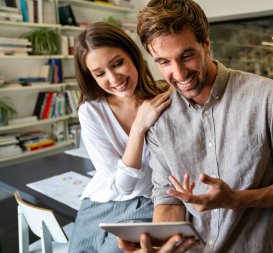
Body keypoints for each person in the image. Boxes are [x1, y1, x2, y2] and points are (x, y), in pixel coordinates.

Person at [116, 1, 273, 252]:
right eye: (164, 62)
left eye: (186, 55)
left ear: (206, 43)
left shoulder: (269, 97)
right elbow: (167, 195)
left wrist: (238, 199)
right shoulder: (159, 114)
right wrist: (162, 245)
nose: (179, 74)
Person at [69, 22, 198, 253]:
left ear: (133, 56)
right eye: (100, 74)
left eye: (117, 63)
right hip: (102, 203)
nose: (113, 78)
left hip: (150, 203)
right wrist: (139, 127)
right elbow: (122, 186)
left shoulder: (166, 97)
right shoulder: (91, 111)